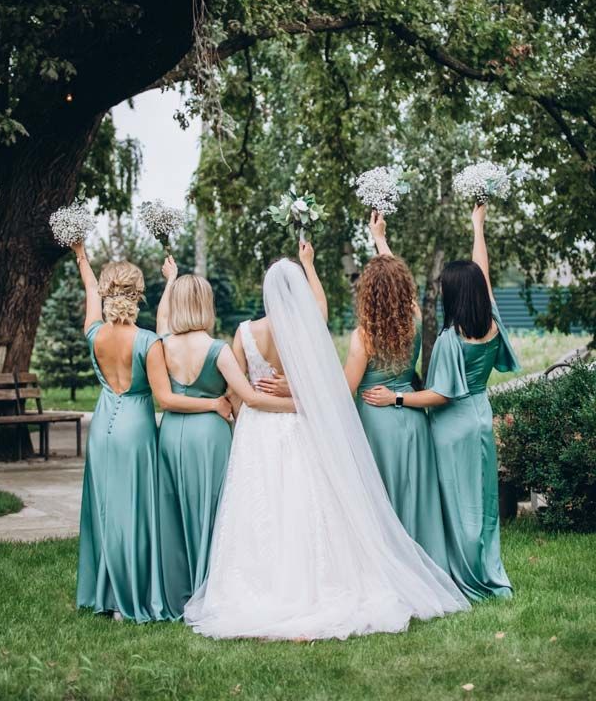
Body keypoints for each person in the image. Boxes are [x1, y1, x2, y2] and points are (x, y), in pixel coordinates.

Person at [184, 242, 469, 640]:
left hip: (258, 430)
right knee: (306, 503)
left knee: (261, 503)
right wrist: (311, 265)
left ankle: (262, 585)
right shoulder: (309, 329)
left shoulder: (245, 333)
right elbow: (325, 382)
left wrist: (241, 405)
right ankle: (314, 583)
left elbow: (237, 391)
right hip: (303, 427)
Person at [362, 205, 519, 601]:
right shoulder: (491, 325)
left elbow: (442, 395)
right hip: (482, 417)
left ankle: (464, 575)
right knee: (481, 503)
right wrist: (477, 227)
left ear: (452, 295)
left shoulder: (452, 338)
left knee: (456, 504)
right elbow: (481, 276)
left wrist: (396, 397)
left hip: (452, 426)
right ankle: (487, 566)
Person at [72, 242, 231, 622]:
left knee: (107, 510)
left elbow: (91, 290)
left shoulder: (94, 334)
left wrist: (81, 254)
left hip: (102, 424)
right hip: (136, 428)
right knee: (139, 511)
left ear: (108, 294)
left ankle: (106, 595)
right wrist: (214, 404)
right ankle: (135, 597)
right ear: (138, 295)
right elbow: (166, 399)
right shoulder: (147, 342)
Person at [155, 258, 295, 619]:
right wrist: (301, 406)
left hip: (171, 433)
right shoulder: (216, 349)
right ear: (206, 305)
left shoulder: (162, 345)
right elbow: (248, 397)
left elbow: (160, 324)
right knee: (215, 510)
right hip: (209, 436)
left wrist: (169, 282)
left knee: (175, 510)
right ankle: (208, 581)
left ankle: (176, 592)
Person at [343, 212, 449, 572]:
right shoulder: (415, 322)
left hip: (377, 423)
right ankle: (425, 566)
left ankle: (390, 570)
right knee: (414, 496)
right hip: (414, 420)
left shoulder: (363, 337)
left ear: (368, 294)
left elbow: (345, 391)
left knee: (384, 498)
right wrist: (380, 238)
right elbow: (404, 288)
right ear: (403, 289)